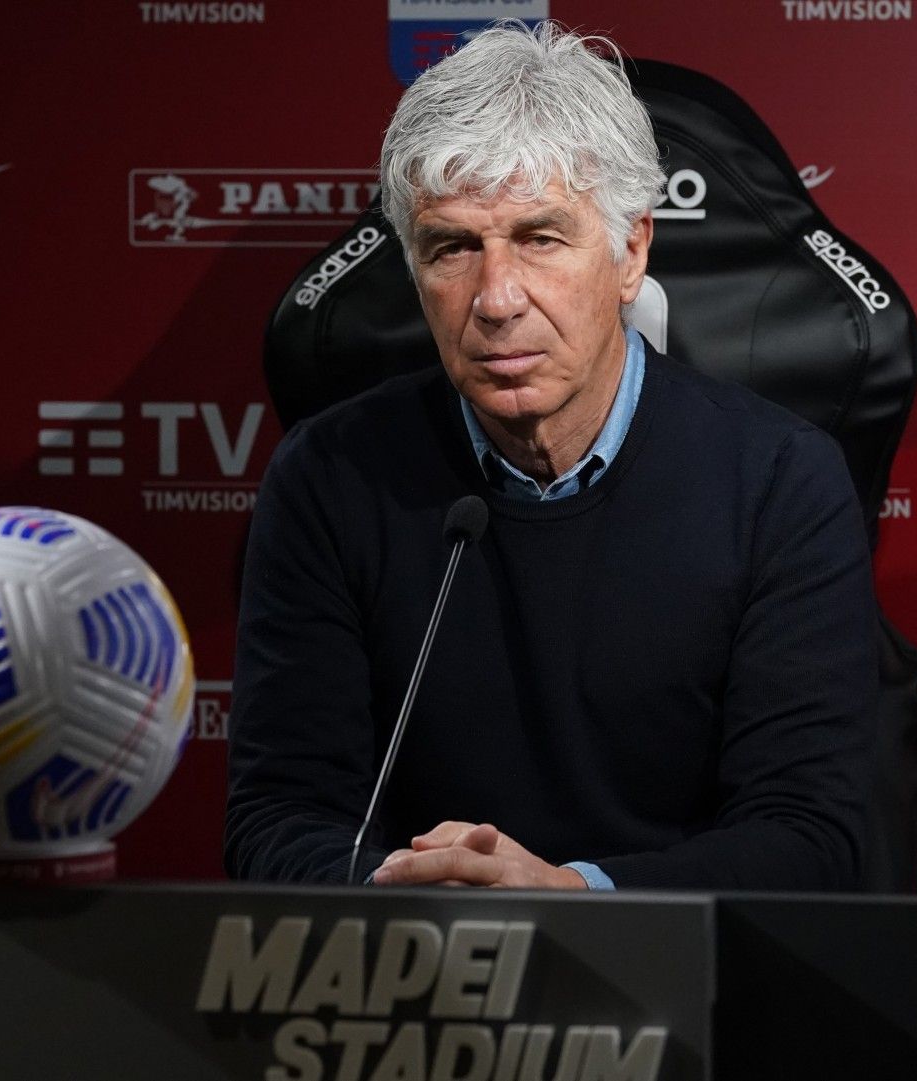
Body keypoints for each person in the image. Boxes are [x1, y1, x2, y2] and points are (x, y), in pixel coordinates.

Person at [225, 21, 876, 891]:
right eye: (453, 247)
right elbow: (277, 816)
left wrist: (573, 898)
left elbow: (809, 839)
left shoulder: (778, 483)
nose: (496, 299)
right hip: (414, 974)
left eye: (540, 238)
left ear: (630, 251)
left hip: (686, 987)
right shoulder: (328, 480)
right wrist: (402, 889)